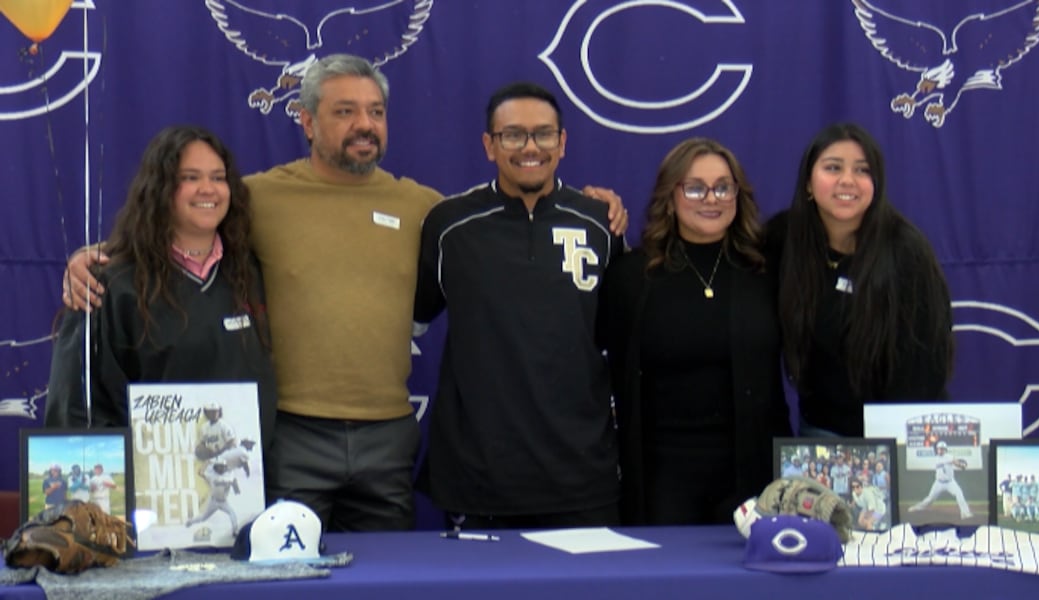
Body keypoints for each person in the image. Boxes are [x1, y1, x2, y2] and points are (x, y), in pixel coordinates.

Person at [61, 56, 627, 532]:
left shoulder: (428, 208)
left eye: (376, 112)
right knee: (287, 580)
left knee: (384, 584)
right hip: (290, 435)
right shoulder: (256, 197)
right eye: (345, 111)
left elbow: (506, 220)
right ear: (306, 121)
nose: (365, 124)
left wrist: (596, 207)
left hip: (389, 437)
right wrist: (95, 258)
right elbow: (180, 223)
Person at [414, 82, 622, 529]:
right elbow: (412, 320)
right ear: (489, 145)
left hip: (582, 476)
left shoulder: (601, 222)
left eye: (544, 134)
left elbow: (616, 338)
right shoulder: (450, 225)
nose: (530, 147)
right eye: (512, 135)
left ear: (562, 143)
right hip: (480, 476)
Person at [45, 125, 277, 444]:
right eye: (190, 177)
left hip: (243, 482)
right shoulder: (108, 284)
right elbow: (73, 410)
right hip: (146, 485)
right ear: (159, 188)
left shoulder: (252, 272)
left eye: (218, 177)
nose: (207, 189)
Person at [599, 137, 789, 525]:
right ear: (670, 197)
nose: (712, 198)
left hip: (753, 478)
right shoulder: (631, 277)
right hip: (661, 481)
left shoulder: (767, 271)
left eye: (723, 186)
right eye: (695, 187)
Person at [773, 122, 954, 437]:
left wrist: (897, 449)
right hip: (820, 430)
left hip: (899, 434)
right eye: (833, 168)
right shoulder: (782, 239)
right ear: (807, 184)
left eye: (862, 170)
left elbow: (927, 364)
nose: (847, 180)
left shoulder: (906, 252)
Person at [908, 440, 972, 519]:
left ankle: (965, 513)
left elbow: (955, 462)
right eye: (939, 449)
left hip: (950, 482)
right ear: (937, 450)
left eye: (942, 449)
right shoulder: (936, 458)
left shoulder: (949, 456)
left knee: (959, 494)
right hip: (939, 483)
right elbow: (951, 461)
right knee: (930, 499)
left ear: (945, 450)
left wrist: (961, 466)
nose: (940, 450)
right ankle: (916, 508)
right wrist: (955, 463)